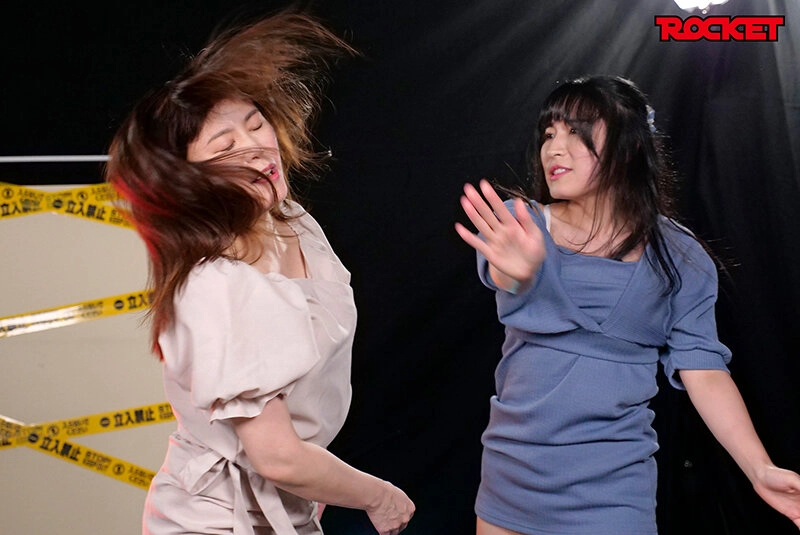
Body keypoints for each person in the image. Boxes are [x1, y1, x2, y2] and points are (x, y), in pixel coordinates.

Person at [105, 10, 414, 535]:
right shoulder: (218, 285)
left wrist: (315, 485)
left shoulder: (292, 220)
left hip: (288, 510)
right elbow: (278, 457)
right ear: (189, 181)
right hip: (212, 522)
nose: (258, 147)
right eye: (225, 146)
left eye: (256, 124)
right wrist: (380, 497)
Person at [455, 75, 800, 535]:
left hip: (614, 485)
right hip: (513, 473)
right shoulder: (520, 228)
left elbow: (704, 370)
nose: (554, 147)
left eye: (575, 130)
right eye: (548, 133)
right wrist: (517, 273)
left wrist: (759, 468)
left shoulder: (681, 257)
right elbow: (502, 274)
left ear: (630, 145)